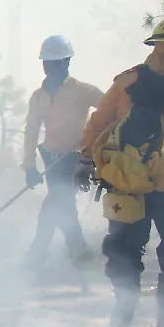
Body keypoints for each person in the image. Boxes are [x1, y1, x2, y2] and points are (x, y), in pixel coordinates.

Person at [80, 16, 164, 327]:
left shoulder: (127, 81)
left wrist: (85, 159)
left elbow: (99, 121)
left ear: (154, 47)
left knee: (123, 246)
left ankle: (125, 302)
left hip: (126, 176)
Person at [21, 35, 104, 269]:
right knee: (63, 206)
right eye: (47, 62)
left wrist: (94, 136)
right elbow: (30, 132)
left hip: (76, 160)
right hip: (51, 160)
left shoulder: (83, 91)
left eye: (57, 62)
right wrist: (29, 166)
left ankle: (35, 258)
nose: (51, 68)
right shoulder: (38, 97)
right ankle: (81, 257)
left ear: (67, 62)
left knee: (55, 204)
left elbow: (111, 109)